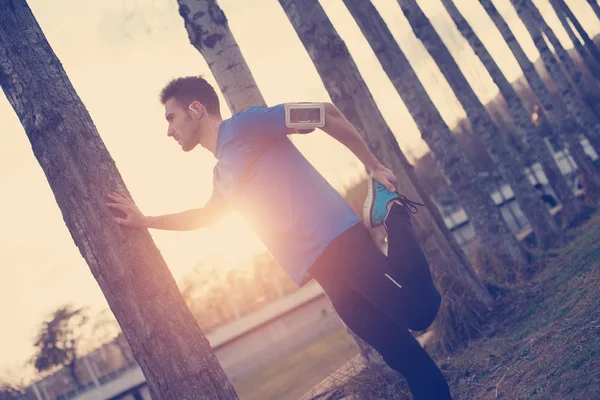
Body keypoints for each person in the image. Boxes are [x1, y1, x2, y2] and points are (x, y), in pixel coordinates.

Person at [106, 76, 451, 399]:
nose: (169, 131)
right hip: (323, 271)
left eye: (171, 117)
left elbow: (324, 114)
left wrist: (373, 167)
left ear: (195, 110)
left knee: (418, 313)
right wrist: (146, 220)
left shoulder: (246, 126)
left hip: (341, 243)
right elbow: (205, 216)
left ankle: (394, 212)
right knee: (400, 354)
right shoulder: (222, 171)